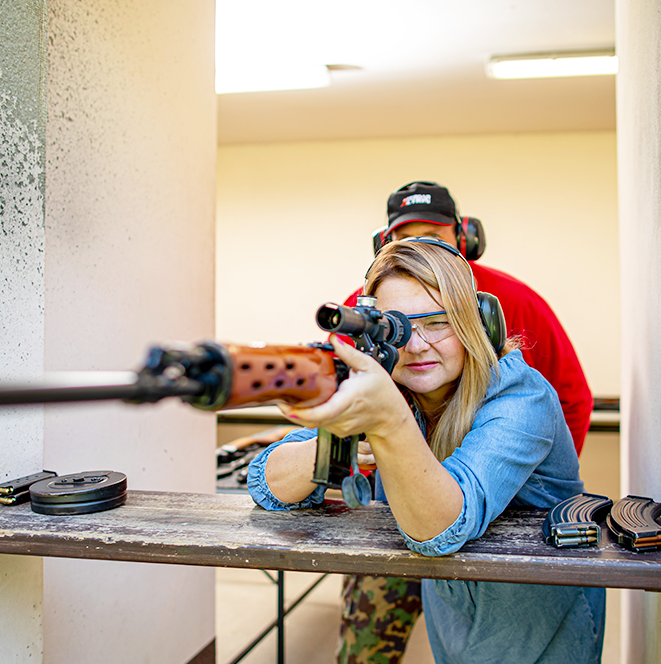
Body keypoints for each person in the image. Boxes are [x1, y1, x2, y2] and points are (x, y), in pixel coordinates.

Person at [246, 238, 605, 664]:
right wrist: (333, 444)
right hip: (454, 615)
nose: (416, 345)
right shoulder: (394, 390)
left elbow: (442, 526)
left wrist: (388, 423)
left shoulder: (522, 396)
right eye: (397, 328)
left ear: (476, 322)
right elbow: (266, 483)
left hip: (538, 622)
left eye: (437, 322)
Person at [336, 181, 594, 664]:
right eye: (405, 238)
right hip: (403, 518)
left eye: (438, 323)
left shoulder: (514, 301)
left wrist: (521, 467)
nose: (416, 344)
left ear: (465, 237)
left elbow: (569, 398)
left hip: (509, 557)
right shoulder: (368, 306)